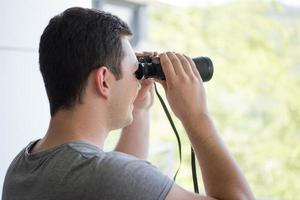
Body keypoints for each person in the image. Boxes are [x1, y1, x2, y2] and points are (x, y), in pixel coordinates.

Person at [2, 7, 254, 200]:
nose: (138, 82)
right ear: (103, 80)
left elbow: (118, 182)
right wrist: (196, 116)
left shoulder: (23, 166)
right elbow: (117, 178)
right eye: (136, 72)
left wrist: (139, 109)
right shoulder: (106, 175)